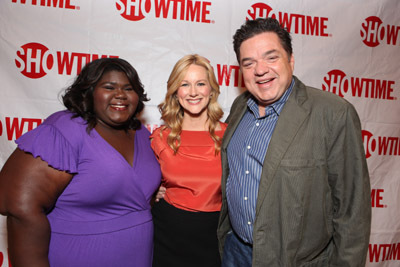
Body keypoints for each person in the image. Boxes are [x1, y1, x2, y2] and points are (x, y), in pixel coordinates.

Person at [217, 18, 371, 267]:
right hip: (236, 252)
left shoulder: (333, 113)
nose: (260, 69)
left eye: (271, 57)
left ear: (290, 60)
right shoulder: (238, 108)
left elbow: (352, 211)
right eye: (249, 63)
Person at [0, 58, 161, 267]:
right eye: (109, 87)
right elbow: (18, 206)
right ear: (89, 92)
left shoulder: (138, 132)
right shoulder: (65, 128)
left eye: (128, 88)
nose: (120, 94)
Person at [150, 54, 227, 267]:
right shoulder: (160, 137)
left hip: (215, 240)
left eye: (200, 83)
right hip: (166, 238)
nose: (193, 92)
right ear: (176, 91)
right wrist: (151, 190)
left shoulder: (231, 136)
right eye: (185, 84)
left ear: (211, 89)